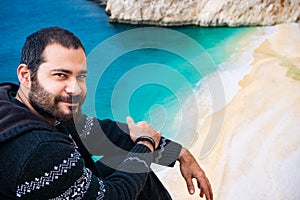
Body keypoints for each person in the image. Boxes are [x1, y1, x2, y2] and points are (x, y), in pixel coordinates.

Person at [0, 27, 213, 200]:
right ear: (26, 76)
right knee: (136, 157)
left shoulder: (20, 106)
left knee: (126, 154)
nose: (74, 89)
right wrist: (146, 144)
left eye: (80, 77)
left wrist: (179, 153)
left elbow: (108, 134)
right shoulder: (38, 149)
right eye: (60, 75)